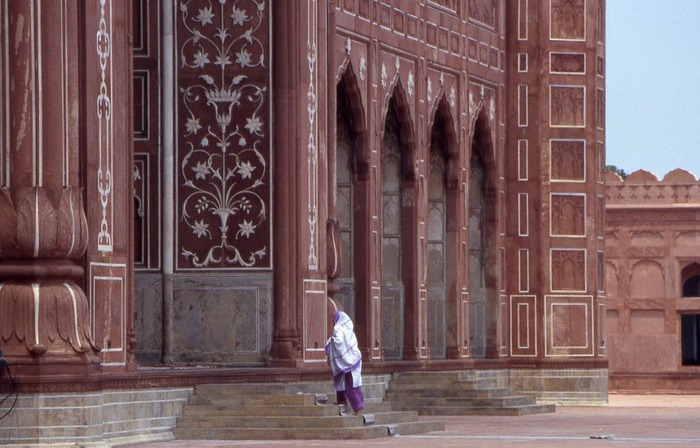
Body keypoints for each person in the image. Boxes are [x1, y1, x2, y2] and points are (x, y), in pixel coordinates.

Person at [325, 309, 365, 415]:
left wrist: (330, 341)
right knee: (340, 381)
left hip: (349, 360)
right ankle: (341, 400)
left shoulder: (338, 329)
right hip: (353, 358)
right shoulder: (348, 330)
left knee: (351, 383)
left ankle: (358, 407)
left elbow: (338, 341)